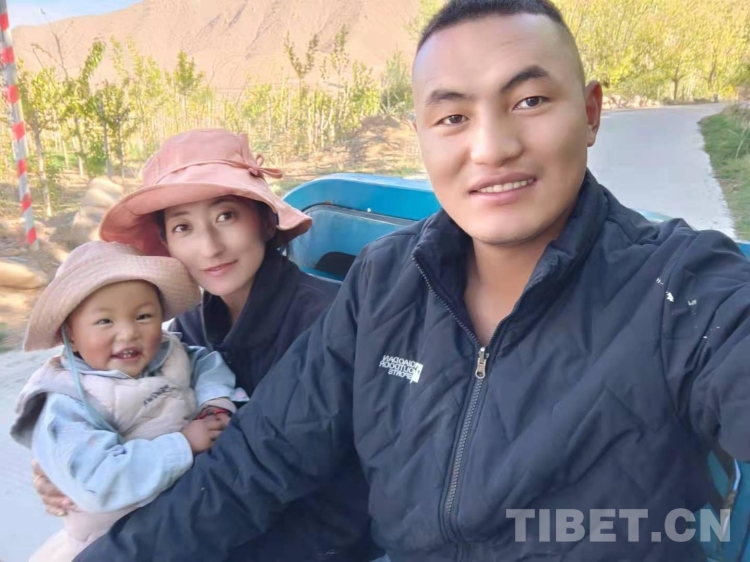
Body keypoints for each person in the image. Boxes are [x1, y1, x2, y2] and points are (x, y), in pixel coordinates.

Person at [75, 1, 750, 560]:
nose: (491, 147)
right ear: (421, 135)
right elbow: (259, 460)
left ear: (592, 111)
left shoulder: (684, 289)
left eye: (530, 100)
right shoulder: (384, 282)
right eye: (453, 117)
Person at [34, 129, 379, 561]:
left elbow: (260, 473)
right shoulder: (191, 327)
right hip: (215, 513)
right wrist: (70, 463)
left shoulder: (324, 323)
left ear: (265, 221)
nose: (210, 247)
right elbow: (133, 411)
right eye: (183, 227)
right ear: (167, 244)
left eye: (226, 216)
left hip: (310, 529)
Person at [11, 240, 236, 562]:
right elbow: (99, 481)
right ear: (70, 334)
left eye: (143, 316)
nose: (129, 332)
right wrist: (183, 444)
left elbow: (206, 364)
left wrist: (214, 403)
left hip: (183, 522)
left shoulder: (170, 354)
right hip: (114, 543)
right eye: (105, 321)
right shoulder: (68, 401)